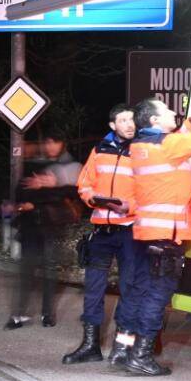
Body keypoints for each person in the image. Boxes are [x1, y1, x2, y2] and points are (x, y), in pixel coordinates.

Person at [122, 98, 191, 376]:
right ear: (154, 121)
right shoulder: (167, 146)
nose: (173, 113)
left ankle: (125, 350)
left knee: (142, 292)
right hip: (167, 235)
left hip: (148, 233)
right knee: (158, 296)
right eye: (167, 111)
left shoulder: (143, 145)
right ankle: (140, 356)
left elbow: (179, 141)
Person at [62, 104, 138, 366]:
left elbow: (152, 191)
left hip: (131, 232)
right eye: (123, 120)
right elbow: (84, 183)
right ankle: (90, 345)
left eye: (132, 120)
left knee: (129, 289)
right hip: (102, 231)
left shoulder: (143, 152)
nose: (129, 124)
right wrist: (92, 199)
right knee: (93, 291)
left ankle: (122, 347)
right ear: (112, 125)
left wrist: (130, 206)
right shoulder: (100, 150)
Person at [5, 129, 83, 330]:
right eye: (47, 142)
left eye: (54, 142)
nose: (50, 146)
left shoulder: (70, 166)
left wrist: (50, 187)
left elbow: (76, 193)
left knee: (49, 271)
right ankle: (19, 314)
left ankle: (48, 314)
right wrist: (27, 202)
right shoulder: (34, 164)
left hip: (51, 226)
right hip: (30, 227)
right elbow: (20, 191)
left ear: (62, 143)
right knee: (26, 271)